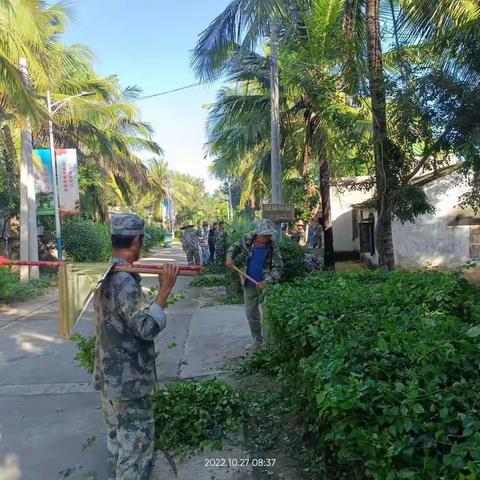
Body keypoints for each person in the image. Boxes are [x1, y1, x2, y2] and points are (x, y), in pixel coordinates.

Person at [93, 213, 179, 480]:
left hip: (109, 378)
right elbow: (145, 328)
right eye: (142, 241)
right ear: (136, 241)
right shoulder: (123, 281)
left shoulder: (106, 272)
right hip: (128, 382)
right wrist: (164, 291)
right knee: (135, 452)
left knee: (117, 444)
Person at [226, 219, 283, 344]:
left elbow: (278, 268)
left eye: (269, 235)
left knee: (267, 316)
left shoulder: (273, 247)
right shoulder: (247, 239)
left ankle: (269, 345)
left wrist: (267, 281)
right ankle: (257, 341)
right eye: (265, 235)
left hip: (265, 286)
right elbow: (233, 247)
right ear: (258, 234)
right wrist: (229, 257)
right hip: (248, 283)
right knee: (251, 314)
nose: (268, 237)